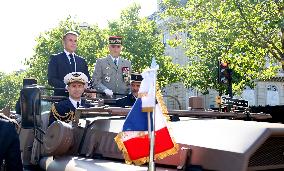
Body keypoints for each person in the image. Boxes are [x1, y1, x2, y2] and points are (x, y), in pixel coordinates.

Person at [48, 31, 90, 97]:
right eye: (70, 40)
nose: (73, 43)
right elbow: (51, 79)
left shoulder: (82, 61)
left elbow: (87, 79)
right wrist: (67, 87)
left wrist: (86, 85)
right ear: (63, 42)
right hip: (61, 99)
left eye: (75, 41)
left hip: (80, 100)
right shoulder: (55, 59)